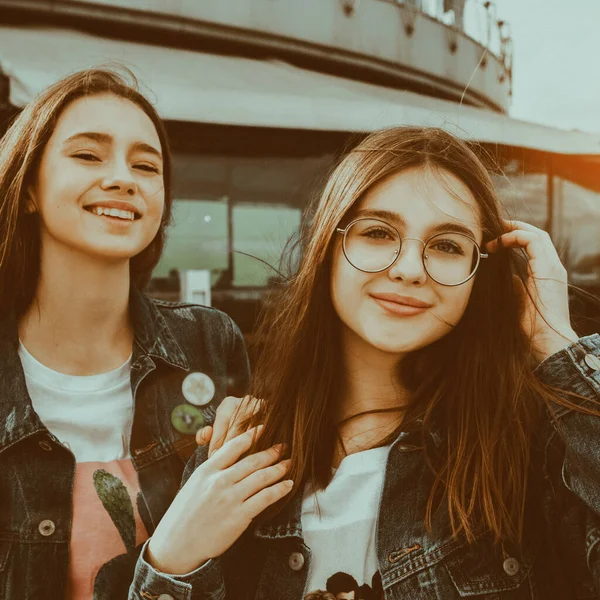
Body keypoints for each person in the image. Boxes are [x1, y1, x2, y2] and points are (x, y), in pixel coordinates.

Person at [134, 126, 600, 599]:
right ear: (328, 248)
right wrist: (171, 560)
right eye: (378, 232)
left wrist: (559, 346)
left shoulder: (530, 446)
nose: (409, 269)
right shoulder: (241, 448)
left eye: (447, 245)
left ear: (479, 274)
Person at [0, 67, 251, 599]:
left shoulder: (209, 344)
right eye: (88, 155)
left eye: (145, 165)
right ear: (28, 191)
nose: (123, 178)